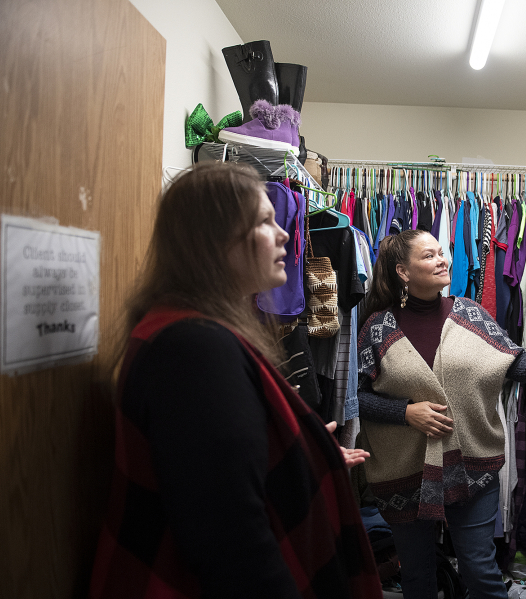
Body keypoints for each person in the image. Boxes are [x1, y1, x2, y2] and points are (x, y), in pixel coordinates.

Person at [89, 163, 382, 599]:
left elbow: (219, 463)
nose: (285, 234)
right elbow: (230, 538)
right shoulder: (193, 349)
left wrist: (297, 447)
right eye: (265, 222)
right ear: (216, 240)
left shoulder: (192, 332)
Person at [356, 229, 526, 599]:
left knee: (480, 569)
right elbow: (355, 399)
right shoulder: (378, 328)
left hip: (473, 464)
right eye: (429, 256)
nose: (442, 260)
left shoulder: (469, 314)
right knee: (417, 574)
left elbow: (514, 363)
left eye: (442, 253)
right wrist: (405, 412)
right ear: (403, 272)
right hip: (402, 471)